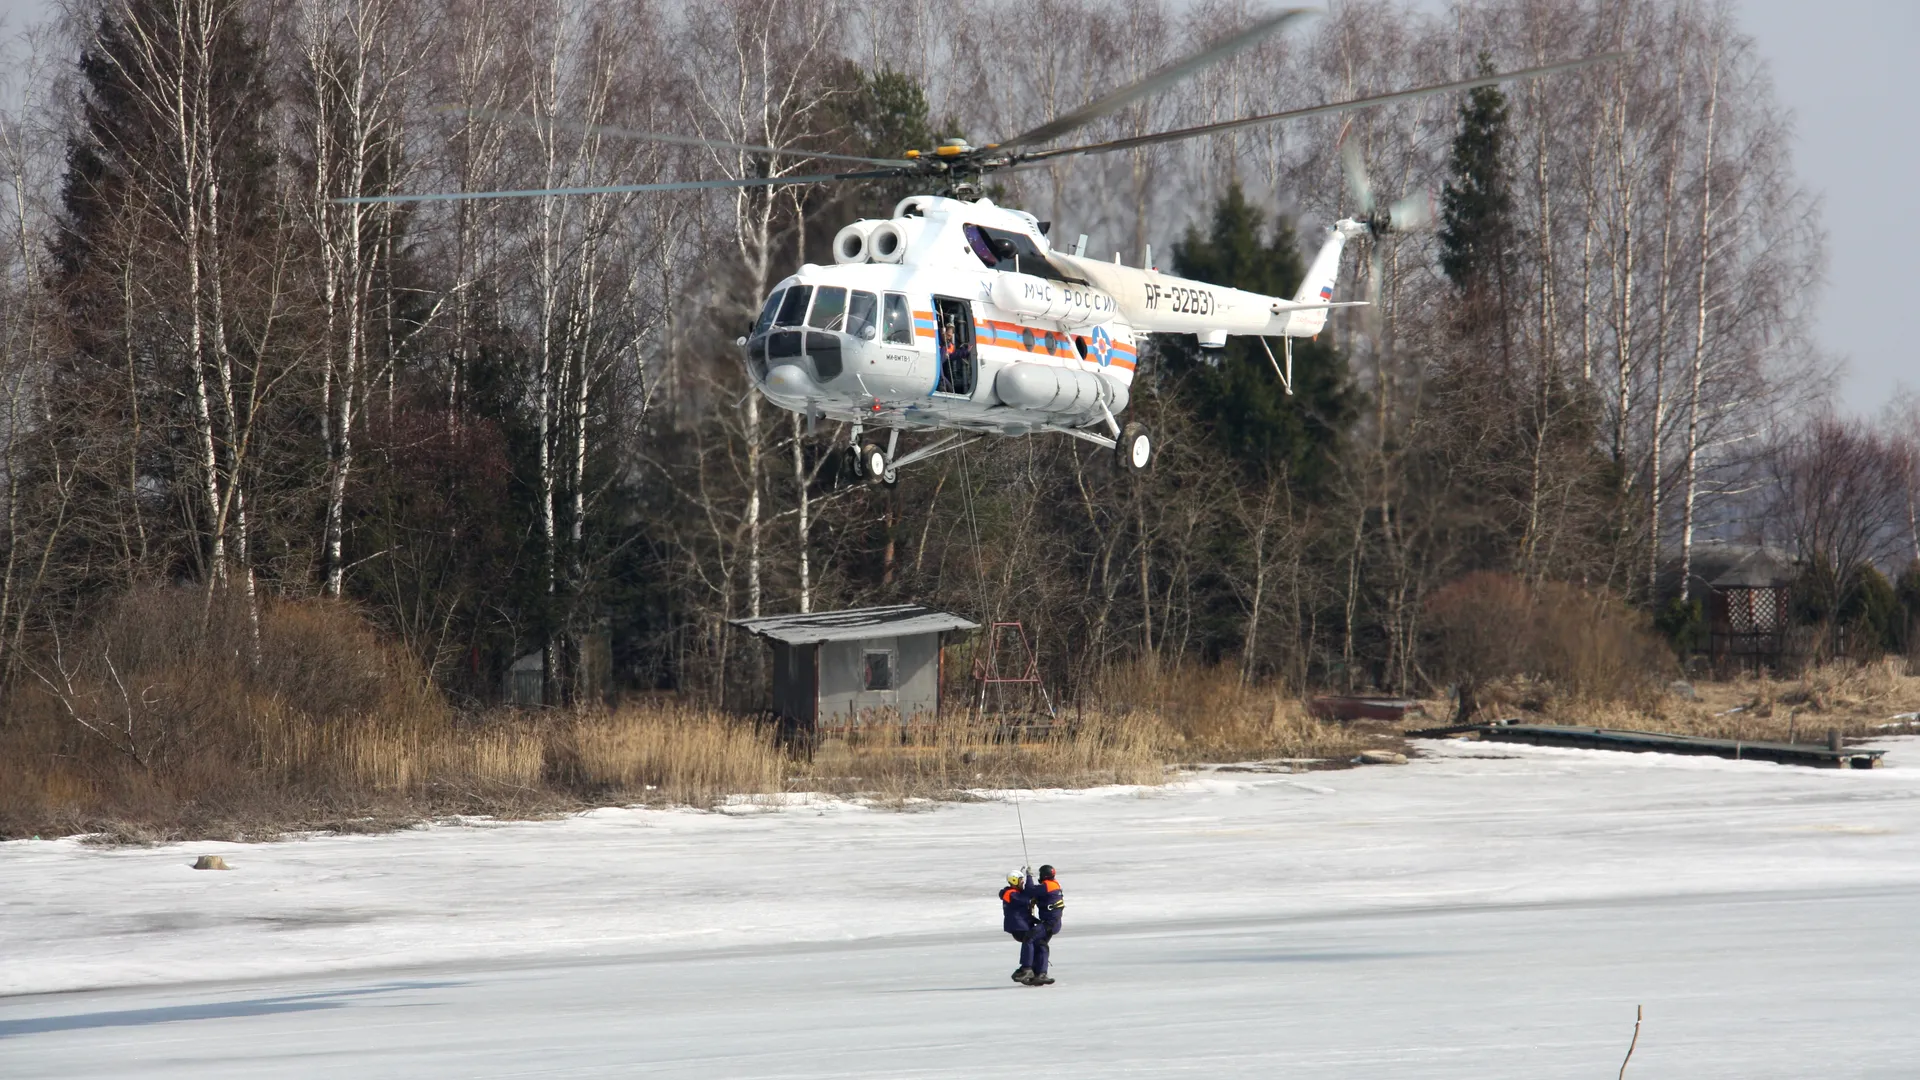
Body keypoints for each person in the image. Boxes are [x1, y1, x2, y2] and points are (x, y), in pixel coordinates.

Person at [1023, 865, 1064, 986]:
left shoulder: (1048, 885)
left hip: (1049, 923)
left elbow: (1029, 891)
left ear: (1044, 875)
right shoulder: (1052, 885)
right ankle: (1040, 974)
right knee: (1041, 944)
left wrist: (1029, 876)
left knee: (1029, 938)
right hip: (1053, 923)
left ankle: (1027, 969)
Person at [1000, 870, 1037, 983]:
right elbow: (1025, 900)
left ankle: (1033, 970)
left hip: (1023, 924)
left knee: (1036, 943)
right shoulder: (1010, 893)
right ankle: (1026, 968)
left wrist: (1029, 877)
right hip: (1018, 926)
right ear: (1014, 881)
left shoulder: (1016, 892)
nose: (1023, 883)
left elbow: (1028, 894)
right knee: (1029, 940)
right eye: (1021, 881)